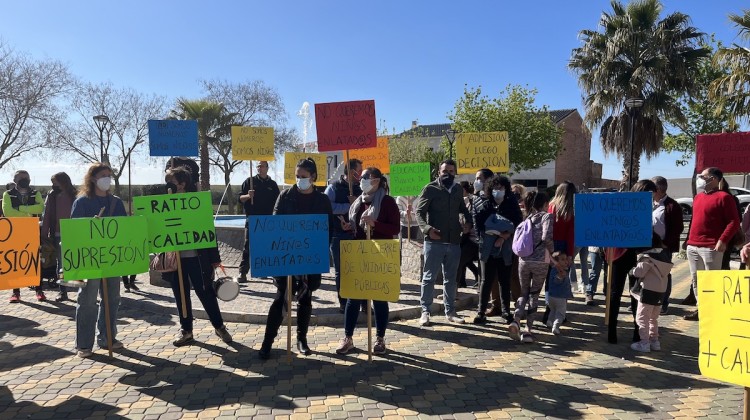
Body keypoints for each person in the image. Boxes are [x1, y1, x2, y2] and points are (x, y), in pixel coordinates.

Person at [259, 158, 333, 360]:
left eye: (304, 177)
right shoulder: (285, 196)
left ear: (314, 177)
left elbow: (328, 229)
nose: (300, 180)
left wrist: (318, 251)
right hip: (286, 256)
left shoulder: (322, 200)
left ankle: (302, 339)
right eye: (297, 176)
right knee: (280, 298)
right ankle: (268, 341)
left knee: (305, 299)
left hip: (310, 258)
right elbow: (274, 224)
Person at [163, 167, 232, 347]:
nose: (167, 185)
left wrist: (214, 257)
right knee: (181, 296)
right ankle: (186, 331)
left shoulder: (197, 203)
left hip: (197, 258)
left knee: (206, 293)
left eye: (170, 181)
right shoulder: (164, 204)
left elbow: (208, 231)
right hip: (176, 260)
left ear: (182, 183)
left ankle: (219, 326)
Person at [335, 167, 400, 355]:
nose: (361, 180)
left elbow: (394, 228)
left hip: (379, 257)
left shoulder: (387, 202)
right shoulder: (357, 202)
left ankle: (380, 339)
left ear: (377, 181)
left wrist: (375, 224)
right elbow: (357, 230)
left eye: (365, 177)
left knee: (379, 298)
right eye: (361, 177)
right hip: (360, 255)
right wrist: (349, 227)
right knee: (353, 298)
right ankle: (348, 338)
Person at [71, 163, 127, 358]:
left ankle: (108, 338)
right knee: (87, 301)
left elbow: (124, 229)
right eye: (103, 175)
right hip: (89, 261)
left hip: (112, 260)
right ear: (93, 178)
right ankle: (83, 344)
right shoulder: (82, 202)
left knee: (112, 299)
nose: (107, 179)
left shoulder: (117, 202)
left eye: (109, 176)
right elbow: (74, 233)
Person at [415, 159, 473, 326]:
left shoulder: (457, 189)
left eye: (451, 172)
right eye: (445, 171)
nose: (448, 174)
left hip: (454, 241)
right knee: (429, 278)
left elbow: (463, 208)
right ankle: (425, 311)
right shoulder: (430, 188)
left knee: (451, 278)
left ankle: (450, 311)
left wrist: (468, 221)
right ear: (438, 172)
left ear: (455, 173)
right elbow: (419, 212)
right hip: (434, 241)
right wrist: (427, 229)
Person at [683, 167, 740, 321]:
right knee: (696, 280)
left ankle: (713, 313)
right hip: (693, 246)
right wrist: (687, 241)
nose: (700, 178)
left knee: (712, 281)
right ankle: (702, 310)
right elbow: (695, 221)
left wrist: (723, 240)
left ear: (713, 179)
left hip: (711, 247)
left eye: (703, 176)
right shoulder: (698, 198)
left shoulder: (724, 197)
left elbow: (734, 222)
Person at [606, 180, 657, 344]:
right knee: (627, 294)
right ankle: (628, 333)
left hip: (622, 255)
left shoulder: (622, 205)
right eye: (651, 195)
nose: (652, 198)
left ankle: (627, 333)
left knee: (627, 294)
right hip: (627, 255)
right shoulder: (637, 208)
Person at [509, 191, 553, 343]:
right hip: (540, 261)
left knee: (524, 292)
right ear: (546, 204)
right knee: (534, 295)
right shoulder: (546, 216)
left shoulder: (527, 218)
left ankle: (516, 319)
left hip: (523, 260)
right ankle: (528, 330)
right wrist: (552, 252)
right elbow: (546, 237)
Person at [325, 158, 363, 313]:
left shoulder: (361, 188)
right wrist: (349, 206)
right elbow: (327, 206)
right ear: (350, 171)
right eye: (359, 170)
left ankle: (363, 304)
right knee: (341, 270)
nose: (361, 173)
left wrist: (357, 205)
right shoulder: (333, 188)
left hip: (357, 235)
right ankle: (343, 302)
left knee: (359, 270)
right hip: (337, 234)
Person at [3, 170, 45, 302]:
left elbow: (40, 208)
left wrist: (20, 209)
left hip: (32, 230)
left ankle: (39, 290)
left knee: (35, 260)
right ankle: (16, 292)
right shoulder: (7, 194)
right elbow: (8, 213)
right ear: (15, 180)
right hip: (14, 231)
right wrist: (28, 212)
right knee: (15, 260)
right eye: (22, 178)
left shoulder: (35, 193)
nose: (25, 180)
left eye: (27, 178)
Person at [237, 160, 280, 283]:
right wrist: (248, 196)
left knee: (267, 245)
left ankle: (263, 270)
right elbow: (240, 198)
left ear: (267, 168)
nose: (260, 168)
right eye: (258, 166)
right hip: (252, 218)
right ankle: (243, 272)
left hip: (267, 220)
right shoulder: (249, 182)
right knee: (248, 246)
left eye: (262, 166)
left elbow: (278, 202)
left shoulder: (273, 184)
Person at [629, 235, 672, 353]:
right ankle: (655, 341)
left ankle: (644, 343)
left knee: (642, 318)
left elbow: (639, 272)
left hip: (648, 290)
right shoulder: (664, 257)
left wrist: (632, 270)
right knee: (653, 318)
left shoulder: (647, 258)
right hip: (661, 291)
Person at [40, 172, 77, 302]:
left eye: (55, 182)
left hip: (75, 234)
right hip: (58, 234)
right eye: (52, 182)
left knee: (76, 262)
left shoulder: (75, 193)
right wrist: (44, 233)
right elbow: (47, 214)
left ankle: (80, 289)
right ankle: (63, 291)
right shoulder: (52, 195)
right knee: (61, 263)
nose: (53, 185)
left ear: (63, 181)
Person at [650, 176, 684, 315]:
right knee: (646, 274)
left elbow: (678, 228)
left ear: (658, 189)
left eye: (651, 188)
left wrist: (665, 243)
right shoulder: (649, 203)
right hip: (646, 246)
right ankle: (645, 301)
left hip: (663, 248)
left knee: (663, 276)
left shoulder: (672, 206)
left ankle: (663, 303)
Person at [457, 180, 479, 288]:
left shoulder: (474, 200)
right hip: (468, 237)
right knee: (463, 261)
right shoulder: (465, 201)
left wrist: (469, 226)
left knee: (460, 260)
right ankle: (461, 283)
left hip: (475, 239)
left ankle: (456, 287)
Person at [546, 250, 573, 336]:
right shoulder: (558, 271)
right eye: (562, 259)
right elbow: (556, 280)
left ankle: (549, 322)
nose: (566, 261)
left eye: (566, 259)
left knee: (553, 310)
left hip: (551, 297)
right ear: (556, 262)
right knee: (560, 313)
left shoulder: (553, 270)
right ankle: (556, 327)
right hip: (560, 297)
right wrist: (560, 277)